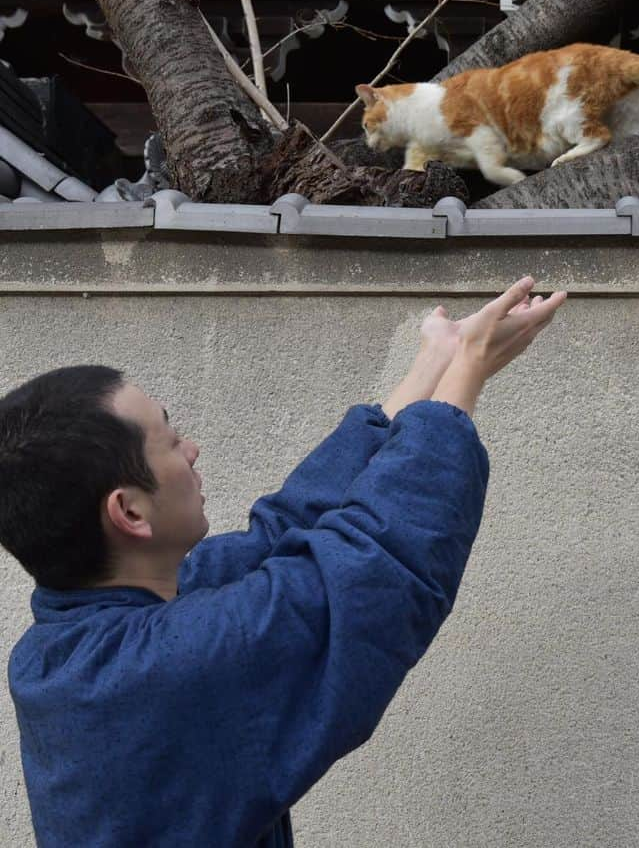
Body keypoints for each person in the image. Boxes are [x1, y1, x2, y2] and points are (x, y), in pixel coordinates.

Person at [0, 276, 566, 847]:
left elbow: (281, 532)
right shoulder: (155, 669)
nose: (190, 448)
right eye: (169, 440)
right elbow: (371, 568)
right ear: (130, 511)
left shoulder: (70, 644)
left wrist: (433, 367)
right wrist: (465, 378)